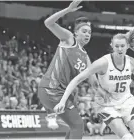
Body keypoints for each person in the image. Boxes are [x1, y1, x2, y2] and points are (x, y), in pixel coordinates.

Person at [54, 25, 134, 139]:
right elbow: (77, 79)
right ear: (112, 46)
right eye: (117, 46)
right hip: (107, 104)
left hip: (126, 101)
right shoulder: (103, 63)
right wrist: (62, 101)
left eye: (122, 46)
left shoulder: (132, 63)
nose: (120, 49)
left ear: (127, 46)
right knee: (128, 138)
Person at [38, 0, 97, 139]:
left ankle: (50, 114)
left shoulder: (85, 56)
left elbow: (93, 81)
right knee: (78, 125)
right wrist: (67, 10)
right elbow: (48, 23)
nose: (87, 34)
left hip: (62, 93)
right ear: (76, 32)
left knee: (74, 126)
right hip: (50, 89)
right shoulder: (69, 39)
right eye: (84, 31)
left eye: (89, 32)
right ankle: (49, 113)